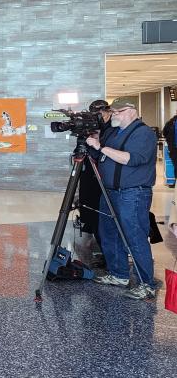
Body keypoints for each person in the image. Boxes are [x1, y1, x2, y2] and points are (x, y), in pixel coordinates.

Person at [88, 99, 160, 300]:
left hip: (133, 193)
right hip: (110, 191)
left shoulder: (144, 133)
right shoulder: (112, 131)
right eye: (113, 112)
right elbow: (99, 155)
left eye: (117, 112)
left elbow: (131, 159)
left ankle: (147, 284)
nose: (114, 115)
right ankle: (118, 274)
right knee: (109, 233)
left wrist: (101, 147)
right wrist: (94, 143)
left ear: (131, 111)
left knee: (135, 238)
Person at [78, 100, 114, 239]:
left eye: (99, 114)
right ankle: (90, 225)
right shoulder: (93, 127)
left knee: (102, 206)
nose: (98, 117)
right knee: (88, 198)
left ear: (108, 111)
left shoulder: (113, 128)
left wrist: (97, 142)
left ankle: (104, 240)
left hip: (104, 174)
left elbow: (103, 153)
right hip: (89, 173)